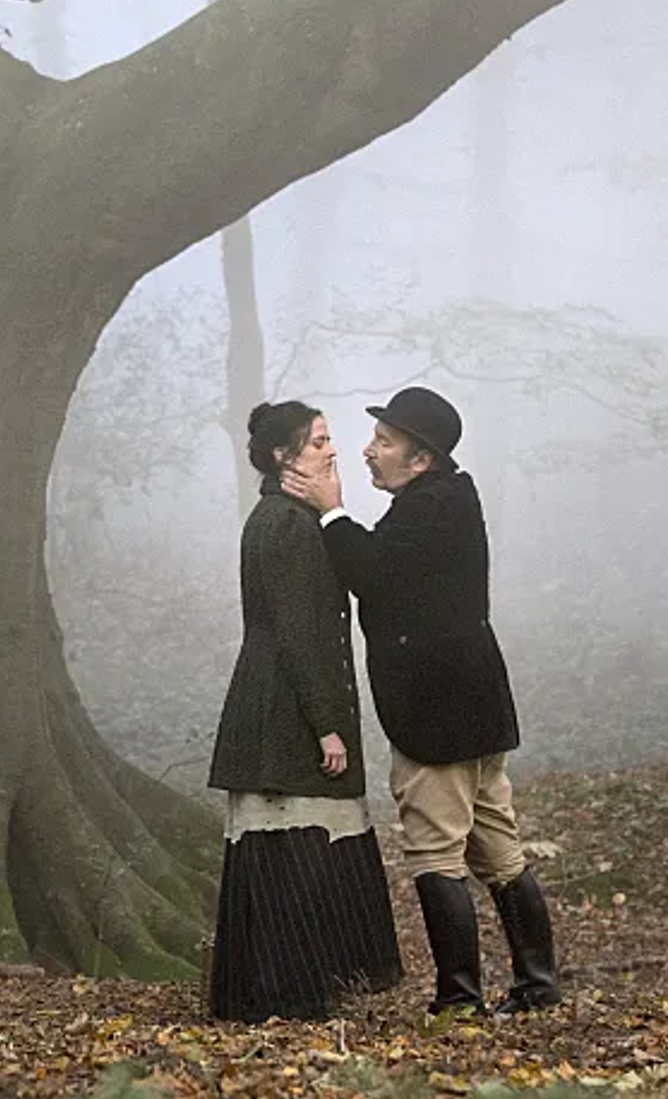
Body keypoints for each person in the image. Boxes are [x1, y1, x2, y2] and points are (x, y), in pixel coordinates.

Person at [281, 386, 561, 1017]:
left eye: (385, 442)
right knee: (499, 852)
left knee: (438, 856)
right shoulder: (440, 498)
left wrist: (331, 512)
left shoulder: (431, 508)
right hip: (475, 711)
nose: (368, 451)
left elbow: (374, 572)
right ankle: (537, 986)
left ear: (421, 460)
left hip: (438, 717)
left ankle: (459, 1002)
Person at [207, 400, 403, 1023]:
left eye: (327, 440)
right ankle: (285, 996)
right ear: (281, 457)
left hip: (281, 703)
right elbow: (299, 634)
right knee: (294, 848)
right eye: (318, 442)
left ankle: (289, 990)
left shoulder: (287, 518)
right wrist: (328, 724)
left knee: (302, 847)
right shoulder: (287, 527)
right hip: (282, 712)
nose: (332, 450)